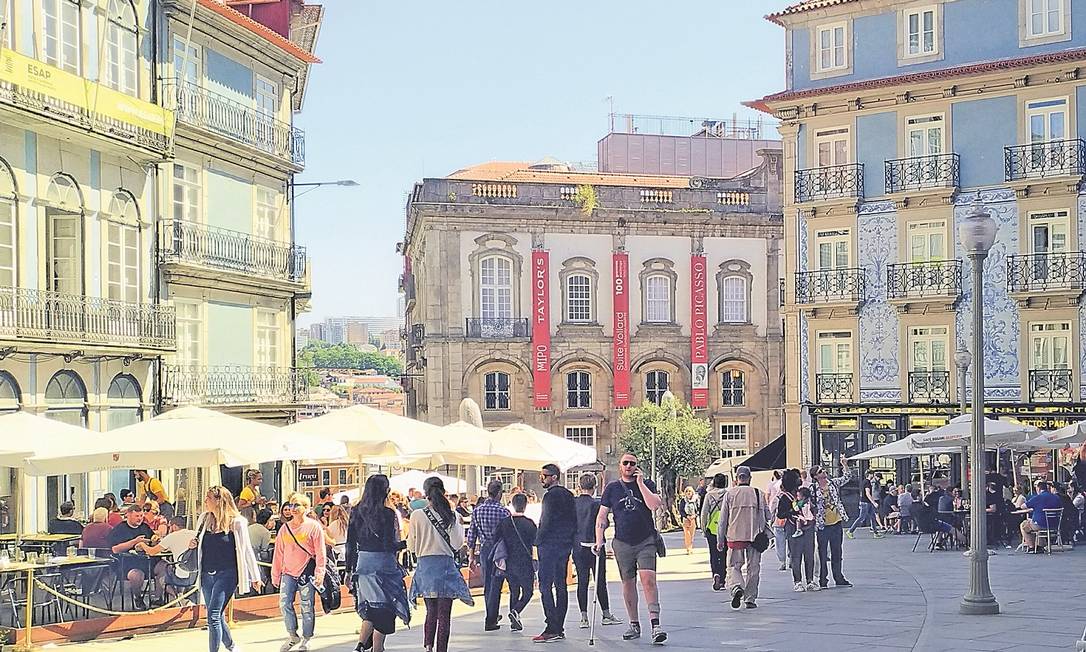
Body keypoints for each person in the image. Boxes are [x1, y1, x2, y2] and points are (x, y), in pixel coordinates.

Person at [596, 452, 667, 645]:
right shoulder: (612, 488)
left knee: (648, 580)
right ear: (620, 466)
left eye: (632, 463)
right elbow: (602, 516)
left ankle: (655, 624)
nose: (629, 466)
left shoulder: (648, 485)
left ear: (637, 466)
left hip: (645, 540)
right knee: (628, 582)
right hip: (623, 542)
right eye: (625, 463)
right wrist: (599, 539)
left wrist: (641, 484)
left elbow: (654, 505)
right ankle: (634, 623)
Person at [190, 486, 262, 652]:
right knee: (217, 615)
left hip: (227, 573)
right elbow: (198, 540)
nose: (206, 501)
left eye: (208, 498)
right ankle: (231, 646)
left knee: (213, 616)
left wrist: (255, 576)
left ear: (218, 501)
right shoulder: (204, 519)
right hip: (207, 573)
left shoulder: (237, 522)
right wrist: (193, 544)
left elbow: (246, 550)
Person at [408, 476, 473, 652]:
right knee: (444, 614)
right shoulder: (452, 515)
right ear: (443, 492)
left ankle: (428, 647)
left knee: (431, 611)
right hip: (445, 566)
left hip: (426, 567)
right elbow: (458, 544)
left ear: (425, 494)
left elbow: (411, 546)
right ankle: (441, 649)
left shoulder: (416, 515)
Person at [346, 474, 410, 652]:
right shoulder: (388, 514)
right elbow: (389, 545)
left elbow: (350, 543)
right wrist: (407, 543)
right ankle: (378, 648)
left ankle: (360, 645)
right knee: (385, 608)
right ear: (384, 491)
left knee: (371, 606)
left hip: (363, 563)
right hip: (384, 564)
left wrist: (348, 571)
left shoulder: (356, 511)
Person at [271, 493, 326, 652]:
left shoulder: (314, 526)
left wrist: (320, 573)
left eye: (297, 505)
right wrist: (276, 574)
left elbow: (320, 552)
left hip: (307, 571)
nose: (292, 509)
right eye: (290, 505)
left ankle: (307, 637)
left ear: (306, 508)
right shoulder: (284, 528)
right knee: (284, 603)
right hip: (288, 572)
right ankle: (292, 634)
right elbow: (278, 553)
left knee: (307, 605)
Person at [716, 466, 772, 609]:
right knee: (754, 568)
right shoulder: (759, 493)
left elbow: (723, 519)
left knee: (734, 566)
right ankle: (750, 598)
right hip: (755, 537)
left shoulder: (730, 494)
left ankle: (736, 587)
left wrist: (720, 539)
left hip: (735, 536)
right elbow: (769, 516)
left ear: (736, 478)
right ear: (750, 478)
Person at [533, 463, 576, 643]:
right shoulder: (568, 495)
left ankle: (552, 626)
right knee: (561, 586)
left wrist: (537, 540)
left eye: (545, 475)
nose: (542, 478)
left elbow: (546, 521)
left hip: (550, 546)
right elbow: (575, 520)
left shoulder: (550, 497)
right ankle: (559, 626)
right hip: (564, 545)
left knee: (545, 586)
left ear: (555, 477)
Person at [572, 473, 620, 630]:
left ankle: (583, 617)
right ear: (595, 487)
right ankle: (606, 614)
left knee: (582, 581)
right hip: (596, 545)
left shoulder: (573, 504)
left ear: (579, 487)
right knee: (600, 580)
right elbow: (604, 523)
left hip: (579, 546)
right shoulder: (597, 504)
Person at [465, 479, 510, 632]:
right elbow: (508, 534)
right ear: (499, 493)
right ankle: (491, 618)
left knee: (488, 584)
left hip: (484, 549)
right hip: (499, 549)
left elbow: (471, 535)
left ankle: (491, 613)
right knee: (496, 583)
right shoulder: (504, 511)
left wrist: (471, 556)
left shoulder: (477, 510)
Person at [497, 492, 537, 632]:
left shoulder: (505, 522)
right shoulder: (529, 524)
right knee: (528, 591)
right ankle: (516, 611)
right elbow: (536, 541)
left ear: (512, 505)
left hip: (509, 561)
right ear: (525, 505)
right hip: (525, 562)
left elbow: (497, 539)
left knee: (514, 590)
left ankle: (514, 620)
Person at [810, 460, 853, 589]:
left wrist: (844, 465)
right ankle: (823, 579)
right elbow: (809, 504)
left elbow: (847, 477)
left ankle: (838, 577)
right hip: (823, 524)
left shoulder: (833, 483)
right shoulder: (812, 489)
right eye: (820, 471)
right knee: (822, 553)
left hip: (836, 522)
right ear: (815, 477)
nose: (824, 472)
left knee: (837, 551)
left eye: (823, 470)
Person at [109, 504, 156, 610]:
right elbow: (115, 549)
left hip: (147, 560)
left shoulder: (145, 526)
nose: (140, 519)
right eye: (137, 516)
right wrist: (134, 542)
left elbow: (151, 538)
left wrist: (155, 539)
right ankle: (138, 597)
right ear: (128, 515)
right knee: (136, 575)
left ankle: (158, 599)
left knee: (164, 566)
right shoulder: (119, 529)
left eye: (141, 516)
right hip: (127, 563)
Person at [700, 473, 728, 591]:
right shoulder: (728, 494)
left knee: (713, 553)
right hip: (726, 528)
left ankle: (715, 573)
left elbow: (704, 513)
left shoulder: (709, 495)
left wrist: (703, 528)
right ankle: (722, 579)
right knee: (724, 554)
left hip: (712, 528)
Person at [1021, 480, 1063, 552]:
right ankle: (1040, 546)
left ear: (1038, 488)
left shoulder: (1037, 498)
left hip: (1040, 524)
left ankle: (1032, 546)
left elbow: (1023, 506)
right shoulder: (1056, 497)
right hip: (1055, 524)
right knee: (1038, 523)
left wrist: (1033, 507)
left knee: (1024, 525)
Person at [847, 469, 883, 539]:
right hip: (866, 503)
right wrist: (874, 502)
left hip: (866, 502)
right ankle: (850, 531)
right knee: (861, 518)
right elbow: (867, 493)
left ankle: (875, 533)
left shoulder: (864, 482)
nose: (873, 475)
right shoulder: (867, 482)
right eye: (872, 474)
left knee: (872, 516)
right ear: (870, 474)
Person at [766, 470, 788, 572]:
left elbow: (771, 510)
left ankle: (782, 561)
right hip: (790, 522)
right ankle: (792, 558)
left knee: (780, 543)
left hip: (779, 522)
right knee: (792, 541)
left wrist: (770, 520)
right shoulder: (792, 496)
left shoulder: (777, 498)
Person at [678, 486, 699, 555]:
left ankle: (690, 547)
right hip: (686, 519)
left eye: (689, 491)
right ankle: (688, 548)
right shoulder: (683, 501)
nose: (688, 493)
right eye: (687, 491)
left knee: (692, 534)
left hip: (693, 518)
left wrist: (694, 515)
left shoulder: (695, 500)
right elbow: (681, 510)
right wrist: (686, 516)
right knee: (687, 534)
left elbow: (698, 509)